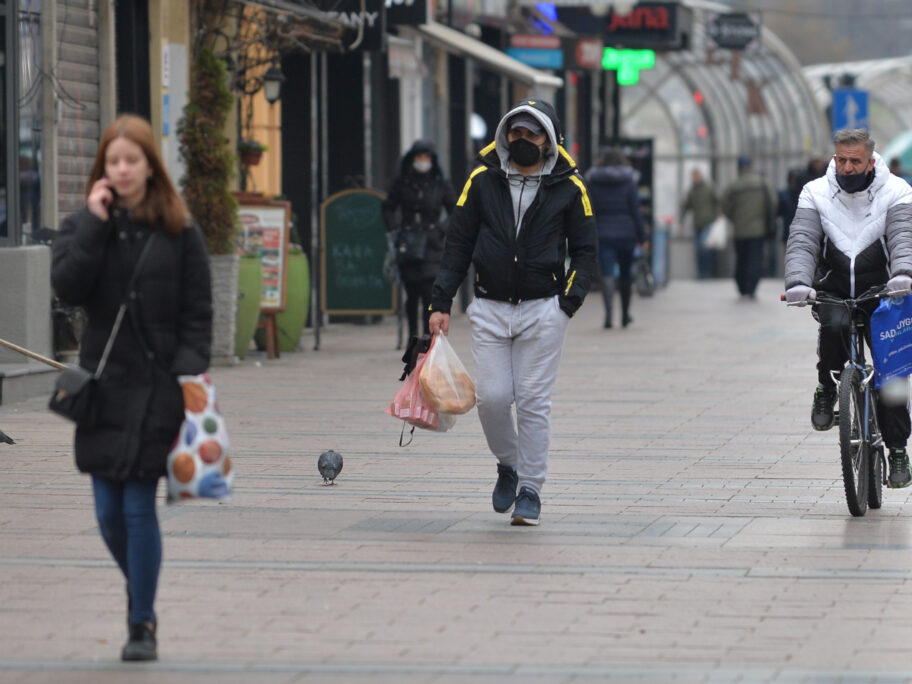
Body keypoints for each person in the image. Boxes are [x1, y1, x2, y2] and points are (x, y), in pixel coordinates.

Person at [51, 114, 213, 661]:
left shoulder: (179, 229)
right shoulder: (83, 226)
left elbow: (198, 310)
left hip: (158, 385)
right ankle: (138, 585)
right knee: (105, 512)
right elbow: (68, 287)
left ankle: (141, 622)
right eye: (113, 162)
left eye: (131, 160)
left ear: (150, 166)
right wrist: (96, 225)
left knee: (138, 507)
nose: (122, 169)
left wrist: (188, 374)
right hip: (101, 386)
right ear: (104, 169)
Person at [427, 99, 597, 526]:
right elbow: (458, 243)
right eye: (516, 134)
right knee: (493, 398)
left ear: (549, 141)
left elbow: (586, 252)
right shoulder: (482, 181)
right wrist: (441, 302)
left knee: (534, 402)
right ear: (505, 137)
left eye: (532, 134)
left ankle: (530, 491)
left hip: (544, 310)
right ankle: (508, 463)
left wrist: (566, 306)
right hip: (488, 307)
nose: (523, 141)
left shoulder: (570, 187)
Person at [785, 128, 912, 488]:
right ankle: (826, 385)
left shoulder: (898, 191)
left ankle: (898, 449)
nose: (847, 166)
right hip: (835, 287)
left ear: (871, 161)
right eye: (841, 159)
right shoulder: (815, 192)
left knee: (891, 374)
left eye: (855, 160)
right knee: (834, 327)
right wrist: (797, 282)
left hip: (885, 291)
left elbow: (904, 235)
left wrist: (904, 273)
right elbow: (803, 240)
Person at [382, 140, 456, 340]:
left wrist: (440, 230)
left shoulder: (440, 183)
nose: (422, 161)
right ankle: (412, 336)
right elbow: (388, 206)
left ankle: (426, 336)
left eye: (426, 158)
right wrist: (396, 228)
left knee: (428, 292)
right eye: (419, 157)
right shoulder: (403, 182)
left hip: (432, 245)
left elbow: (456, 211)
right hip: (408, 243)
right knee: (411, 292)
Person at [586, 147, 648, 327]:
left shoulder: (594, 181)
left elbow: (590, 209)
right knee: (626, 274)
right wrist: (642, 236)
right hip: (626, 234)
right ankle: (625, 314)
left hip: (603, 233)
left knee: (607, 273)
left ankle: (608, 315)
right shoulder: (629, 181)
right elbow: (635, 211)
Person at [722, 155, 777, 299]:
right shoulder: (762, 183)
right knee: (755, 260)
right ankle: (751, 288)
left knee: (741, 259)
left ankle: (741, 287)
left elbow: (725, 206)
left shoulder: (734, 185)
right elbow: (772, 202)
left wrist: (734, 218)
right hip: (758, 230)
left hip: (739, 230)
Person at [680, 168, 720, 280]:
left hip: (709, 222)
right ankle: (702, 273)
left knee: (703, 247)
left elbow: (718, 201)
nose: (695, 178)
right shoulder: (692, 190)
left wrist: (718, 215)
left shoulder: (709, 187)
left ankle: (707, 272)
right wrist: (681, 221)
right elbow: (686, 206)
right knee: (699, 249)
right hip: (697, 224)